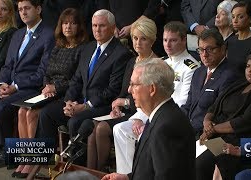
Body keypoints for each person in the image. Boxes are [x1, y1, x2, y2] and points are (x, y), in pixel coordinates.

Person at [36, 9, 132, 151]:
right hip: (79, 101)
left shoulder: (121, 54)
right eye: (94, 25)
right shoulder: (88, 48)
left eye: (102, 26)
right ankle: (41, 159)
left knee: (75, 122)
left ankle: (75, 168)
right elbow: (76, 79)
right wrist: (68, 101)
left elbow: (112, 90)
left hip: (100, 106)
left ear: (113, 28)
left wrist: (85, 106)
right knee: (46, 113)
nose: (97, 30)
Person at [112, 21, 200, 174]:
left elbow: (179, 103)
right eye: (165, 40)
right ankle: (126, 173)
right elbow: (149, 99)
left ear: (184, 40)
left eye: (173, 40)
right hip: (153, 114)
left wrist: (147, 121)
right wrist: (139, 118)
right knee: (120, 129)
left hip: (167, 116)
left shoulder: (190, 66)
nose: (168, 44)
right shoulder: (161, 62)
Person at [11, 8, 88, 178]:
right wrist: (47, 85)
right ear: (60, 25)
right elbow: (46, 72)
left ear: (79, 26)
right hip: (48, 91)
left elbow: (77, 79)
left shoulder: (83, 49)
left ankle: (34, 160)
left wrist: (56, 88)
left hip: (66, 94)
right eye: (65, 23)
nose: (68, 27)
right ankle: (24, 157)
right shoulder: (58, 46)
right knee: (21, 111)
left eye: (73, 23)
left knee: (32, 115)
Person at [102, 59, 195, 180]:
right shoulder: (160, 116)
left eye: (134, 84)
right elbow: (152, 169)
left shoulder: (166, 127)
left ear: (152, 89)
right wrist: (127, 177)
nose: (129, 90)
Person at [0, 0, 55, 168]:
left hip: (31, 88)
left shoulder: (48, 34)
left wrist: (15, 86)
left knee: (1, 107)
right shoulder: (18, 34)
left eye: (27, 8)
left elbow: (42, 73)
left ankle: (7, 150)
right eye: (20, 10)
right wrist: (2, 83)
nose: (23, 13)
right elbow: (7, 65)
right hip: (9, 85)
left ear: (38, 9)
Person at [86, 17, 158, 171]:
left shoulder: (156, 65)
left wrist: (124, 103)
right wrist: (115, 107)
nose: (138, 43)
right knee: (92, 129)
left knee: (102, 128)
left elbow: (151, 100)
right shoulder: (131, 61)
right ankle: (92, 173)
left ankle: (101, 171)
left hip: (141, 114)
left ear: (152, 40)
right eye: (135, 38)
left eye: (143, 39)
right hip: (125, 112)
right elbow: (122, 92)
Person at [195, 51, 251, 180]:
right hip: (214, 134)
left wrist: (212, 129)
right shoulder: (240, 84)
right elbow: (214, 105)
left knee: (200, 164)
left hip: (234, 139)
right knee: (185, 155)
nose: (250, 70)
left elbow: (245, 122)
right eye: (248, 66)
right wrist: (207, 121)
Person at [181, 28, 238, 136]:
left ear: (222, 49)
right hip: (188, 130)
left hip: (207, 134)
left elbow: (221, 114)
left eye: (210, 49)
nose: (204, 54)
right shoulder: (198, 72)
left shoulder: (230, 75)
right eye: (201, 50)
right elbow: (189, 105)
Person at [226, 1, 251, 75]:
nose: (235, 21)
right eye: (233, 17)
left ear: (250, 18)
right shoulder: (230, 40)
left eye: (240, 17)